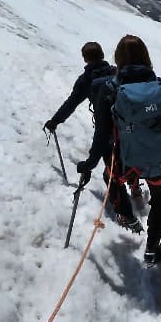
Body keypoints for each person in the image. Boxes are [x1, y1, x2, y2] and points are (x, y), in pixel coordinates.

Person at [76, 35, 161, 264]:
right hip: (159, 161)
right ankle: (153, 248)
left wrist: (88, 164)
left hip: (126, 163)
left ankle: (127, 217)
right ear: (146, 57)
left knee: (110, 177)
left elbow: (102, 134)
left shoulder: (108, 89)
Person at [44, 43, 142, 231]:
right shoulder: (116, 72)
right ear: (103, 54)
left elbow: (71, 104)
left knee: (111, 174)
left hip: (107, 133)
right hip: (131, 128)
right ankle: (135, 187)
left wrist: (54, 121)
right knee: (130, 158)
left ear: (85, 59)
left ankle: (128, 217)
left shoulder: (86, 80)